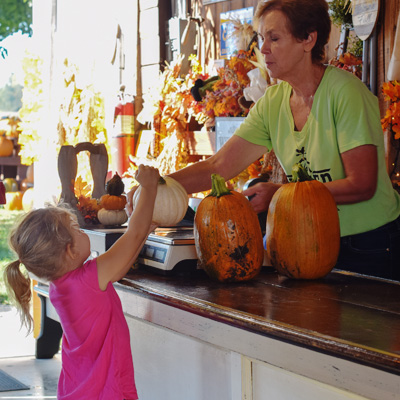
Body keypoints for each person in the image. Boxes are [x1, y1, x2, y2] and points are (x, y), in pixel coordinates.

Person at [127, 0, 400, 281]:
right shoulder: (273, 102)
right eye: (261, 38)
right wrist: (155, 188)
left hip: (370, 245)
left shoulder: (345, 93)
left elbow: (362, 185)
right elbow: (219, 166)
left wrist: (280, 197)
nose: (264, 49)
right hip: (307, 242)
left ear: (308, 39)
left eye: (274, 38)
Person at [4, 164, 160, 400]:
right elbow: (132, 234)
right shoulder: (90, 278)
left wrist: (143, 233)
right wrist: (149, 188)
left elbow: (124, 258)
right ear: (70, 251)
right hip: (107, 391)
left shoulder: (60, 287)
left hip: (77, 389)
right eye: (77, 229)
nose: (83, 232)